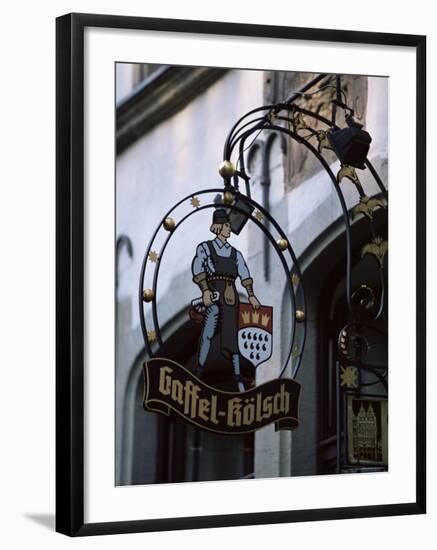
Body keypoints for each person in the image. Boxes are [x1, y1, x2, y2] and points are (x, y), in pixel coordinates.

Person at [191, 209, 260, 391]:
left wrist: (251, 295)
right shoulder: (205, 248)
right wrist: (205, 290)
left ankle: (237, 377)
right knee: (208, 331)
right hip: (214, 292)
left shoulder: (235, 253)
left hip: (230, 295)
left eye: (229, 225)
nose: (229, 229)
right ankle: (198, 371)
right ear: (219, 227)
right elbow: (198, 268)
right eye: (227, 226)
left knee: (232, 336)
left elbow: (244, 274)